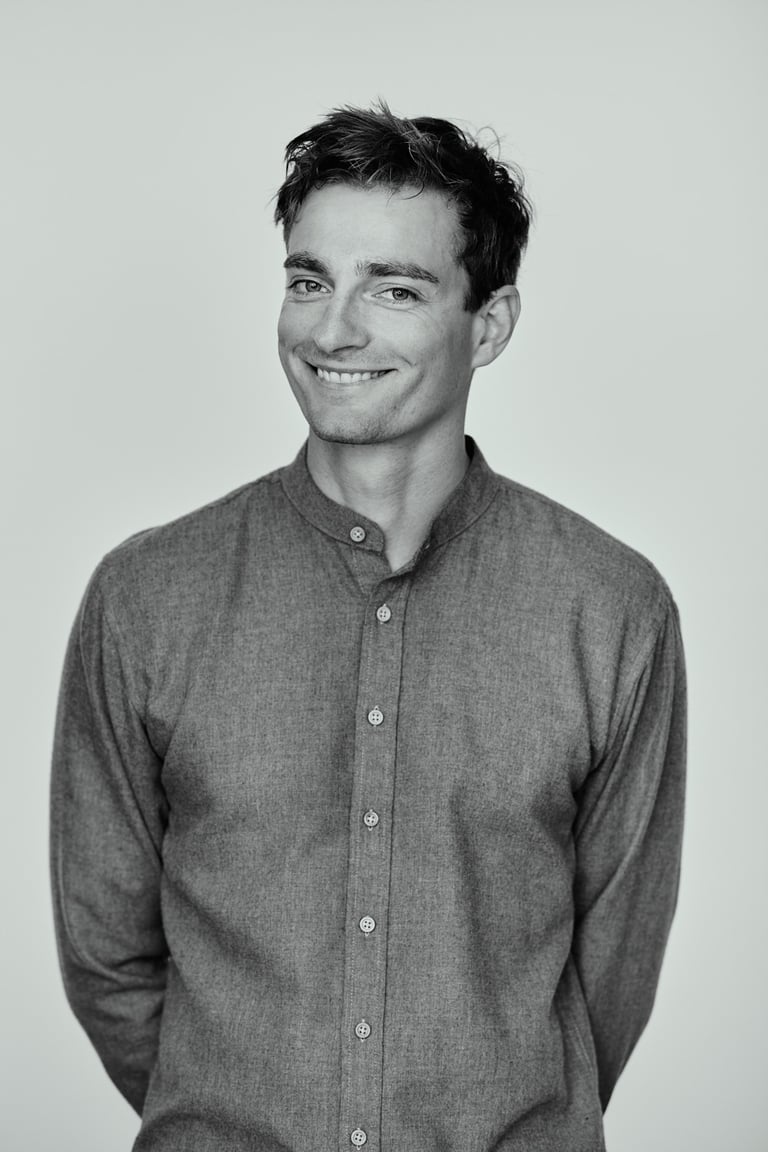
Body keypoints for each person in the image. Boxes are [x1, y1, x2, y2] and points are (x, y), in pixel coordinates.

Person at [50, 102, 686, 1152]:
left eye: (393, 288)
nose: (331, 329)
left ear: (489, 325)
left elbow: (610, 973)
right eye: (309, 280)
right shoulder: (146, 598)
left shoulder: (609, 609)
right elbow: (107, 955)